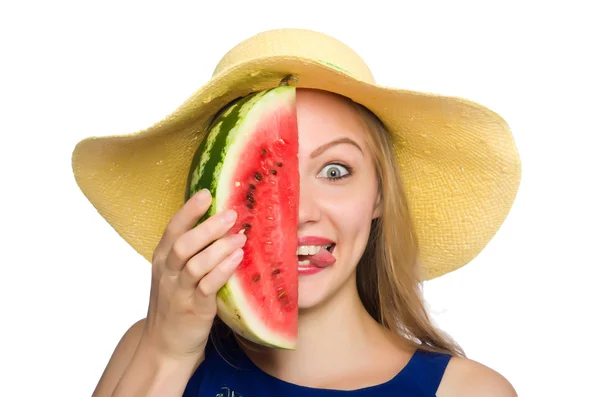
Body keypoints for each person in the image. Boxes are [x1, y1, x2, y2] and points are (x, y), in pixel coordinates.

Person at [72, 28, 521, 396]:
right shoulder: (147, 350)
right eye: (262, 181)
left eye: (335, 170)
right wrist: (166, 354)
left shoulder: (469, 391)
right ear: (211, 195)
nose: (298, 211)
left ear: (379, 196)